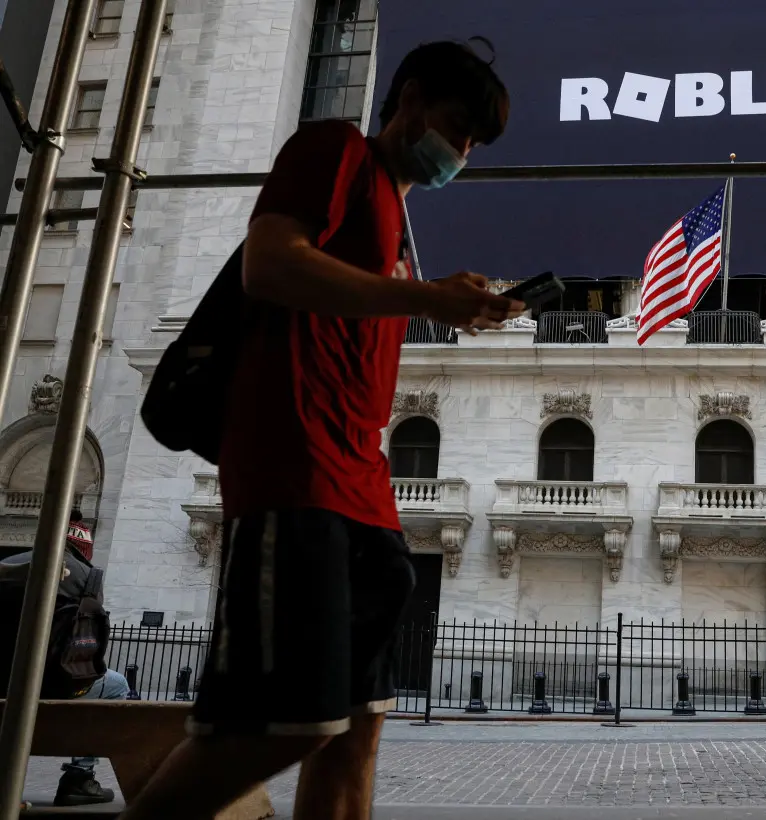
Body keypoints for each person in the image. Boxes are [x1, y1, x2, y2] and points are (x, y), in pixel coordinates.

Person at [118, 40, 524, 820]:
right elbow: (269, 266)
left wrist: (437, 299)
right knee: (278, 727)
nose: (462, 150)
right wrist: (425, 302)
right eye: (456, 125)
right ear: (407, 99)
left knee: (356, 731)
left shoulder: (399, 232)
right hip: (292, 468)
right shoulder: (334, 149)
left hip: (364, 484)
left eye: (475, 141)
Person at [0, 508, 130, 806]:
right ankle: (79, 777)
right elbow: (90, 645)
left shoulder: (7, 564)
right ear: (82, 547)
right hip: (51, 684)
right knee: (117, 685)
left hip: (2, 682)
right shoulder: (87, 576)